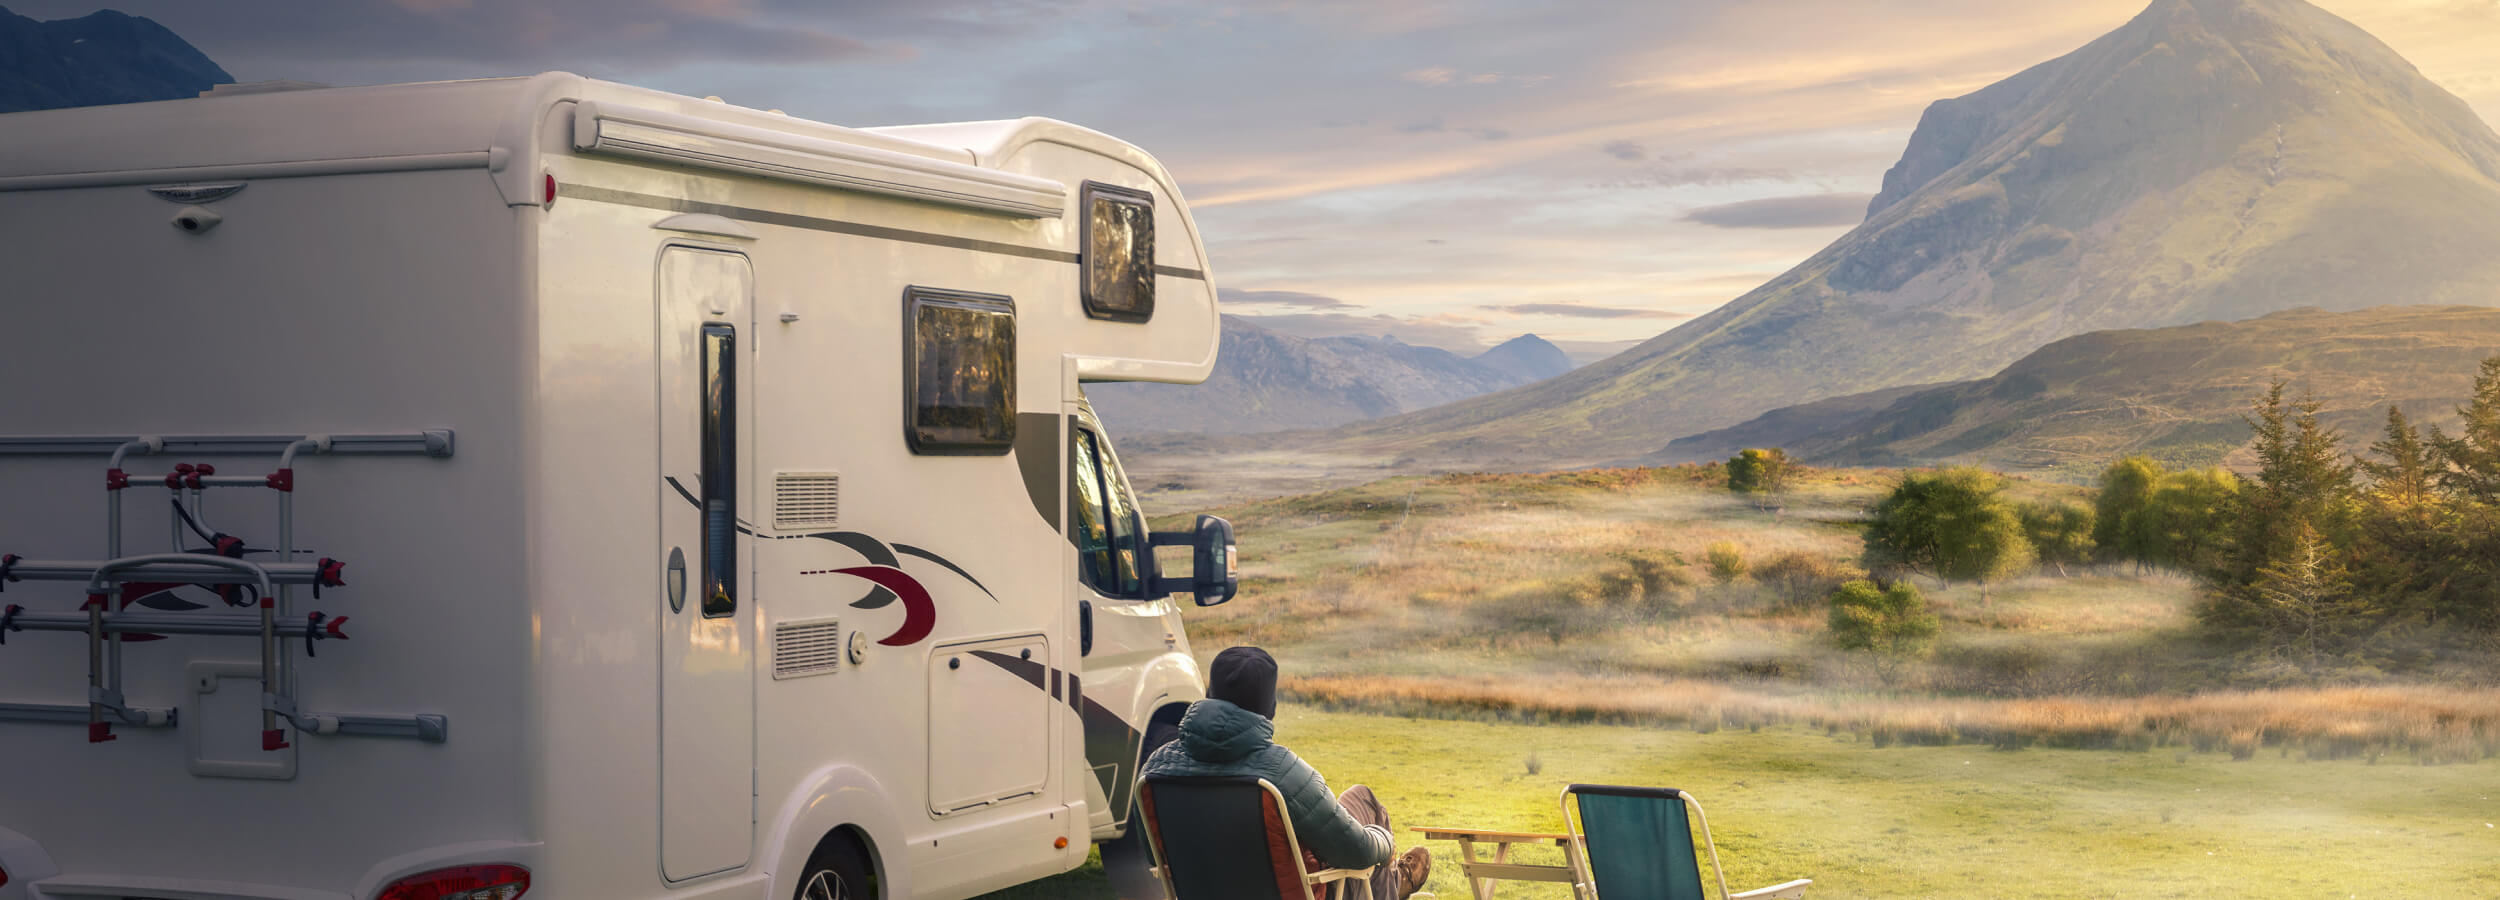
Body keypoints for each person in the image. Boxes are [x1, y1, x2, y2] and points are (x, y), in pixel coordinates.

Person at [1142, 646, 1432, 899]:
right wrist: (1385, 841)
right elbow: (1357, 853)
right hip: (1305, 892)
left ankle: (1392, 882)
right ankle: (1394, 882)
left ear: (1209, 693)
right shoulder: (1284, 773)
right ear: (1269, 707)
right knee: (1367, 807)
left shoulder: (1156, 770)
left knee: (1357, 797)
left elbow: (1153, 854)